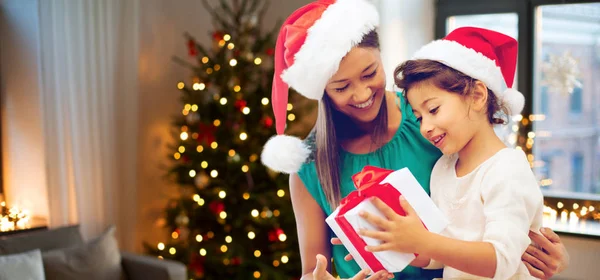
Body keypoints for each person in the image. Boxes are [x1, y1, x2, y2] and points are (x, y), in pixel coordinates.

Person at [259, 1, 570, 279]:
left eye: (370, 73)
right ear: (322, 91)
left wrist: (544, 252)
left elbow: (497, 199)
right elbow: (314, 271)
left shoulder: (429, 114)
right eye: (341, 87)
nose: (363, 94)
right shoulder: (310, 166)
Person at [356, 26, 547, 279]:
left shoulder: (507, 170)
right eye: (418, 117)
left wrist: (424, 241)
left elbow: (501, 261)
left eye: (433, 110)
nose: (425, 127)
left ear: (477, 96)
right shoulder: (443, 169)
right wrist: (393, 242)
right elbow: (439, 255)